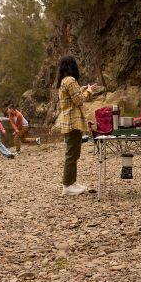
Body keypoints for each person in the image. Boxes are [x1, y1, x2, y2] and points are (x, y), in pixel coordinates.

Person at [56, 55, 97, 196]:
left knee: (74, 153)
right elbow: (79, 100)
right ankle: (67, 185)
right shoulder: (71, 80)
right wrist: (89, 91)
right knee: (71, 155)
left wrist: (85, 88)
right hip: (73, 122)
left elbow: (74, 95)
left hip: (68, 122)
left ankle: (72, 182)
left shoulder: (63, 81)